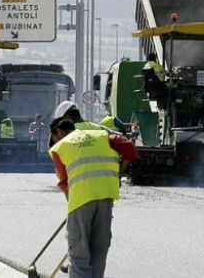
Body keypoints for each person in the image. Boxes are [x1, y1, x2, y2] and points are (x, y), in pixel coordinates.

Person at [47, 117, 138, 278]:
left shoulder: (60, 147)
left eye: (53, 138)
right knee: (98, 253)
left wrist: (72, 207)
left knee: (79, 255)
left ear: (59, 132)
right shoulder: (101, 135)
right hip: (106, 198)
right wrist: (117, 175)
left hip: (80, 201)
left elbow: (64, 183)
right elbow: (129, 148)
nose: (54, 142)